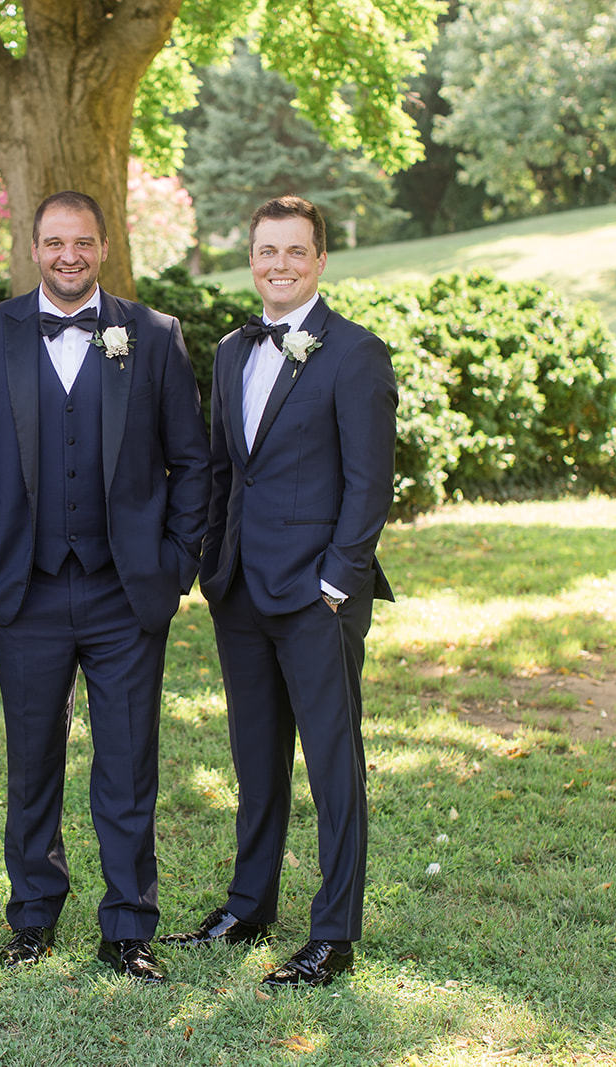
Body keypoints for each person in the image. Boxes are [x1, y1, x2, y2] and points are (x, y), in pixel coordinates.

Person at [0, 191, 210, 983]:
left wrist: (173, 562)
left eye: (82, 242)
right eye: (54, 242)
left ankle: (128, 926)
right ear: (33, 247)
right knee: (32, 761)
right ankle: (32, 918)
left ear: (103, 246)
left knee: (128, 764)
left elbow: (191, 463)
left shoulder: (153, 335)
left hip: (127, 592)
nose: (68, 255)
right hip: (21, 590)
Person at [160, 196, 397, 987]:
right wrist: (211, 566)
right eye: (267, 251)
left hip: (316, 596)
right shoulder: (232, 350)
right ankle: (248, 904)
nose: (280, 265)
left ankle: (333, 932)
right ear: (252, 258)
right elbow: (228, 470)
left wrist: (336, 582)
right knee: (255, 761)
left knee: (334, 765)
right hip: (240, 593)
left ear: (321, 259)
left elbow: (369, 485)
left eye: (296, 251)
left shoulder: (356, 354)